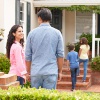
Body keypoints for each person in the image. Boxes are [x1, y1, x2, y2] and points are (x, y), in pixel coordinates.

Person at [25, 8, 64, 89]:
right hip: (51, 71)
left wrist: (28, 72)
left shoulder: (32, 33)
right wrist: (60, 71)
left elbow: (28, 55)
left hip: (36, 71)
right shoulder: (57, 33)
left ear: (39, 18)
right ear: (50, 19)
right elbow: (60, 55)